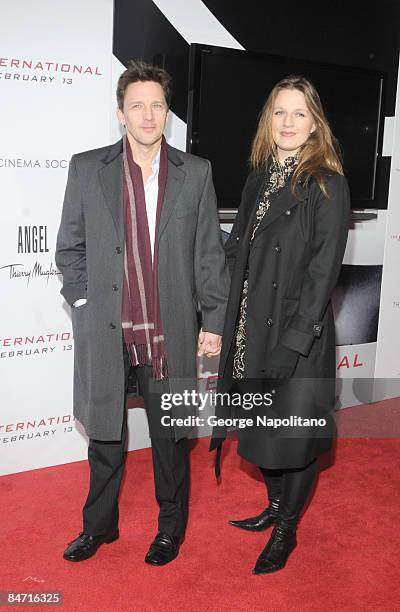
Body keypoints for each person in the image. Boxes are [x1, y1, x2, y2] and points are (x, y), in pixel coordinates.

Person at [56, 59, 229, 565]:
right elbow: (70, 248)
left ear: (167, 113)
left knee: (170, 438)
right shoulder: (88, 168)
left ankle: (169, 528)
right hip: (108, 327)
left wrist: (214, 321)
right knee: (106, 436)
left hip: (169, 329)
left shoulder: (195, 172)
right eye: (138, 106)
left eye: (157, 105)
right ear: (120, 113)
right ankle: (98, 528)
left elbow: (208, 255)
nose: (148, 115)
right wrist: (86, 303)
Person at [210, 75, 350, 574]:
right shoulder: (258, 178)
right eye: (279, 113)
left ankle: (287, 526)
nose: (288, 123)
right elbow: (237, 251)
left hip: (295, 335)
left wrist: (293, 344)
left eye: (299, 114)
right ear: (268, 121)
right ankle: (273, 507)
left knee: (294, 436)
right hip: (252, 331)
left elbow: (322, 272)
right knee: (260, 431)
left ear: (315, 125)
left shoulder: (326, 183)